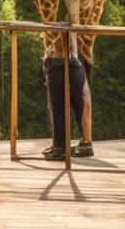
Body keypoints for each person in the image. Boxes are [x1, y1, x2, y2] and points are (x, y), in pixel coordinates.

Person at [43, 29, 87, 161]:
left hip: (57, 64)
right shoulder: (73, 20)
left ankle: (60, 148)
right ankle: (84, 141)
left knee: (58, 109)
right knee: (79, 107)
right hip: (76, 62)